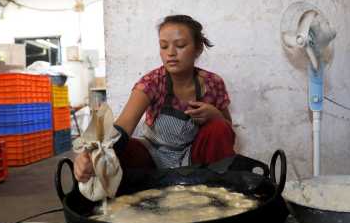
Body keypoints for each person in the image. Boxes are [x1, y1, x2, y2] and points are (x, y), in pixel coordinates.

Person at [74, 15, 236, 183]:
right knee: (120, 150)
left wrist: (215, 114)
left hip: (193, 158)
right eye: (164, 46)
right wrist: (94, 154)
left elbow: (228, 129)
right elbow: (123, 127)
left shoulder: (212, 83)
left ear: (198, 48)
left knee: (219, 128)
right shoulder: (152, 82)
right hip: (152, 155)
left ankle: (216, 191)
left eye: (180, 45)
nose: (171, 53)